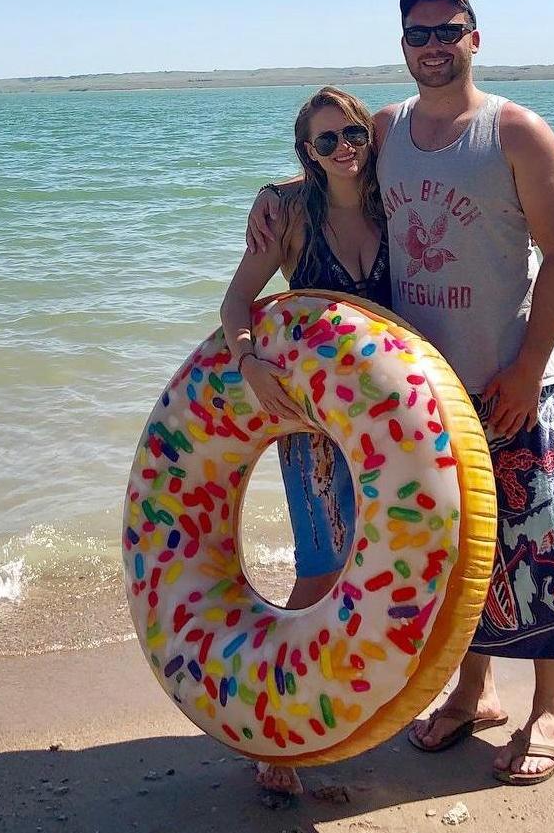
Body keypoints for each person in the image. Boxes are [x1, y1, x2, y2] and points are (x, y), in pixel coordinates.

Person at [246, 0, 554, 786]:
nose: (434, 44)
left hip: (508, 381)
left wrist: (526, 366)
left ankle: (552, 710)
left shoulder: (516, 132)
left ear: (475, 36)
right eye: (418, 32)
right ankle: (472, 694)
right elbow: (334, 179)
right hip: (418, 403)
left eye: (448, 29)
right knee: (455, 555)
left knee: (531, 546)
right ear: (402, 45)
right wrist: (270, 204)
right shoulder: (386, 128)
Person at [220, 85, 391, 795]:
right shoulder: (289, 217)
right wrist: (248, 358)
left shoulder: (394, 200)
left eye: (351, 132)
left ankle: (359, 703)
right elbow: (236, 302)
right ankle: (273, 729)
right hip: (314, 427)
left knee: (383, 565)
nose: (342, 147)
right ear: (306, 153)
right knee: (321, 568)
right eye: (324, 141)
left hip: (392, 428)